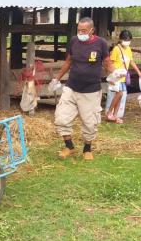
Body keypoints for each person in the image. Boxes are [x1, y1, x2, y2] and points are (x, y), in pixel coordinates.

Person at [48, 17, 114, 161]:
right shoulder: (74, 41)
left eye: (84, 31)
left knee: (90, 123)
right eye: (79, 30)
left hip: (91, 90)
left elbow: (107, 63)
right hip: (71, 87)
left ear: (92, 30)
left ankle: (87, 149)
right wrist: (57, 79)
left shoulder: (101, 43)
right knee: (61, 117)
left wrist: (114, 75)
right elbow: (68, 61)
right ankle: (69, 146)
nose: (81, 33)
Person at [105, 30, 141, 124]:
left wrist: (139, 72)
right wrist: (112, 74)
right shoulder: (116, 49)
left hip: (123, 77)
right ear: (120, 39)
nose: (127, 41)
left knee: (120, 95)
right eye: (125, 39)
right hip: (116, 76)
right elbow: (110, 63)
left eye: (128, 40)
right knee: (119, 94)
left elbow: (131, 61)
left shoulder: (128, 49)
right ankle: (109, 113)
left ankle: (115, 116)